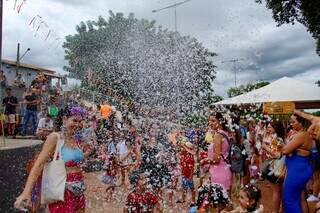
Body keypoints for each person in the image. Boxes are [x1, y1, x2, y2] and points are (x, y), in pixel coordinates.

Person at [14, 106, 90, 213]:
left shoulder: (76, 140)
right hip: (61, 192)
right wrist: (26, 192)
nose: (78, 125)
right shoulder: (55, 138)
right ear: (64, 119)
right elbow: (38, 165)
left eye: (81, 121)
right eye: (75, 120)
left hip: (79, 191)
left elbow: (74, 162)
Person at [282, 114, 314, 213]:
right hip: (300, 169)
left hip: (297, 171)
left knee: (290, 200)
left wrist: (287, 148)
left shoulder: (302, 135)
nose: (291, 124)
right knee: (300, 197)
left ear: (301, 122)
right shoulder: (305, 134)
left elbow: (285, 150)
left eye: (293, 122)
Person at [261, 120, 285, 213]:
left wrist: (265, 147)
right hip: (275, 167)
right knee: (278, 190)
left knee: (276, 191)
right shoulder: (274, 137)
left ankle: (275, 211)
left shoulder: (278, 139)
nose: (268, 128)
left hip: (275, 168)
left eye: (270, 127)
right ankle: (280, 208)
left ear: (276, 128)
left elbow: (278, 155)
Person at [203, 112, 232, 191]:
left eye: (213, 121)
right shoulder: (225, 133)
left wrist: (204, 160)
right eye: (209, 121)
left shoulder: (218, 136)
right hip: (225, 170)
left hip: (218, 172)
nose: (210, 123)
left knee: (217, 202)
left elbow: (216, 160)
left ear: (220, 122)